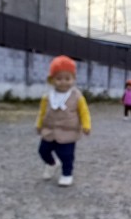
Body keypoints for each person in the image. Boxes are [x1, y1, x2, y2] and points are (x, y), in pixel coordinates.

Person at [35, 55, 91, 186]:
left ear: (73, 79)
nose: (63, 82)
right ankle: (51, 164)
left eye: (67, 78)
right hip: (49, 131)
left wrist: (86, 125)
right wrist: (38, 124)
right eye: (59, 78)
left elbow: (84, 112)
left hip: (68, 132)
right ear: (52, 79)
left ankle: (67, 174)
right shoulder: (47, 96)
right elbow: (42, 112)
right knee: (43, 151)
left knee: (66, 155)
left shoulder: (77, 96)